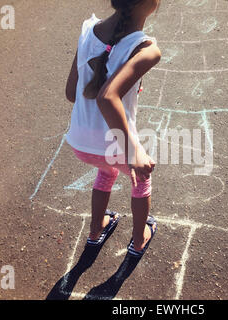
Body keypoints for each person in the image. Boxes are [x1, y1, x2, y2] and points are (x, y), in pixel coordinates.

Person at [65, 0, 162, 257]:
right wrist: (134, 154)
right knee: (141, 179)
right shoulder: (146, 48)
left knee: (106, 170)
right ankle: (139, 239)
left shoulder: (88, 29)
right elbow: (107, 97)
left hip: (82, 142)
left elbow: (71, 93)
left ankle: (96, 229)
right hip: (115, 145)